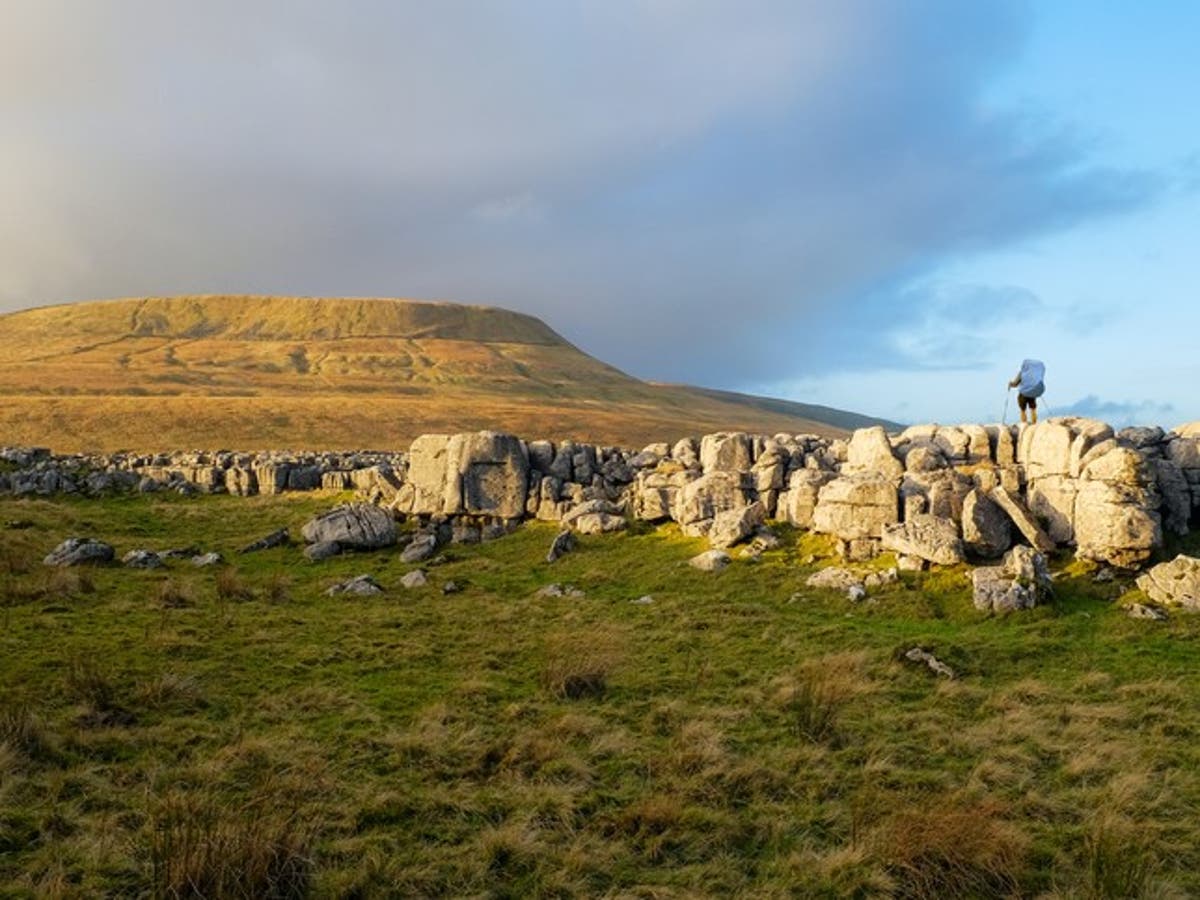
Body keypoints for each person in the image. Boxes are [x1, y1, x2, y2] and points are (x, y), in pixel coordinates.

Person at [1008, 359, 1046, 424]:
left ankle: (1024, 423)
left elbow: (1015, 383)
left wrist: (1010, 384)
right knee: (1033, 408)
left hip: (1023, 394)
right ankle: (1034, 422)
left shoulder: (1022, 373)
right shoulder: (1033, 374)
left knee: (1022, 410)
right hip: (1031, 393)